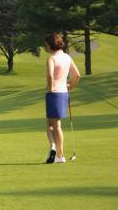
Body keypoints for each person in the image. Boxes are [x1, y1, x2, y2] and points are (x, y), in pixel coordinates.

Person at [44, 33, 80, 164]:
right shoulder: (67, 57)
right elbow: (77, 75)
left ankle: (59, 153)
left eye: (46, 44)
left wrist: (50, 88)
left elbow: (49, 76)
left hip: (54, 94)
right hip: (64, 93)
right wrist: (70, 87)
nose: (45, 46)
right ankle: (55, 150)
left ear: (50, 45)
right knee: (50, 123)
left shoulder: (51, 59)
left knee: (55, 125)